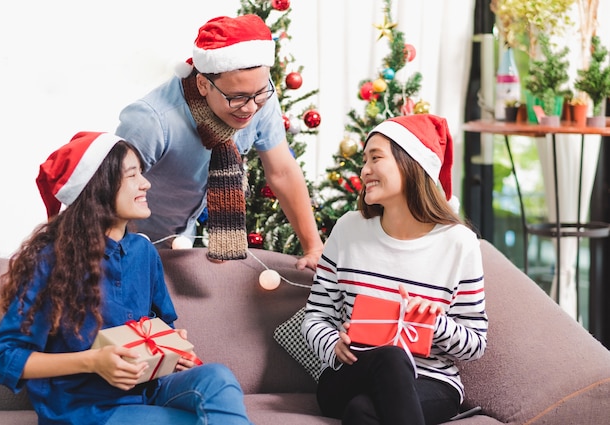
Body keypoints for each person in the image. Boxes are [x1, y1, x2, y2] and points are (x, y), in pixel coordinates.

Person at [0, 132, 253, 425]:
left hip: (149, 390)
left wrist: (171, 348)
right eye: (132, 175)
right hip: (86, 409)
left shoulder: (144, 251)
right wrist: (92, 361)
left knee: (218, 378)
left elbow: (161, 325)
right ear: (97, 188)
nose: (146, 183)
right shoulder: (51, 260)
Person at [301, 114, 488, 425]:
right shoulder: (348, 229)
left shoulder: (459, 244)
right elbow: (316, 316)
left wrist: (433, 323)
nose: (364, 170)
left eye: (376, 158)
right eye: (364, 160)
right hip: (351, 373)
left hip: (431, 382)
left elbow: (475, 344)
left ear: (412, 164)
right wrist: (333, 343)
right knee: (389, 357)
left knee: (362, 412)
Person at [115, 14, 323, 268]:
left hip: (182, 247)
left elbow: (282, 171)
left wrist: (314, 248)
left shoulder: (259, 99)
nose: (250, 108)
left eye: (259, 94)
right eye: (237, 97)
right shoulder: (153, 121)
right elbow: (105, 193)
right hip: (126, 247)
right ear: (203, 84)